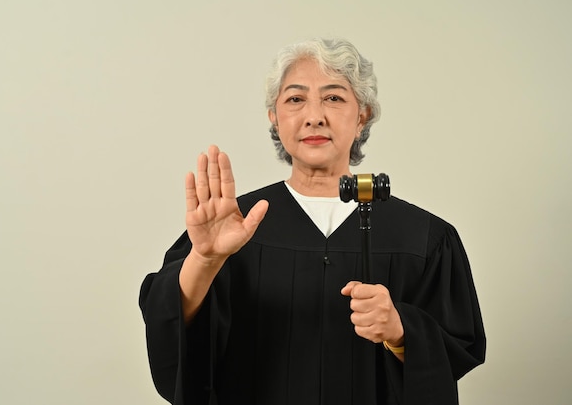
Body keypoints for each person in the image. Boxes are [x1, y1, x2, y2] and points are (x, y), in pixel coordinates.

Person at [139, 37, 486, 405]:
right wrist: (205, 260)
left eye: (334, 98)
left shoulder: (423, 236)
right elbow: (171, 329)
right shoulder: (235, 225)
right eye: (295, 99)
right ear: (274, 115)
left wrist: (402, 330)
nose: (314, 115)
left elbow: (457, 350)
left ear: (362, 114)